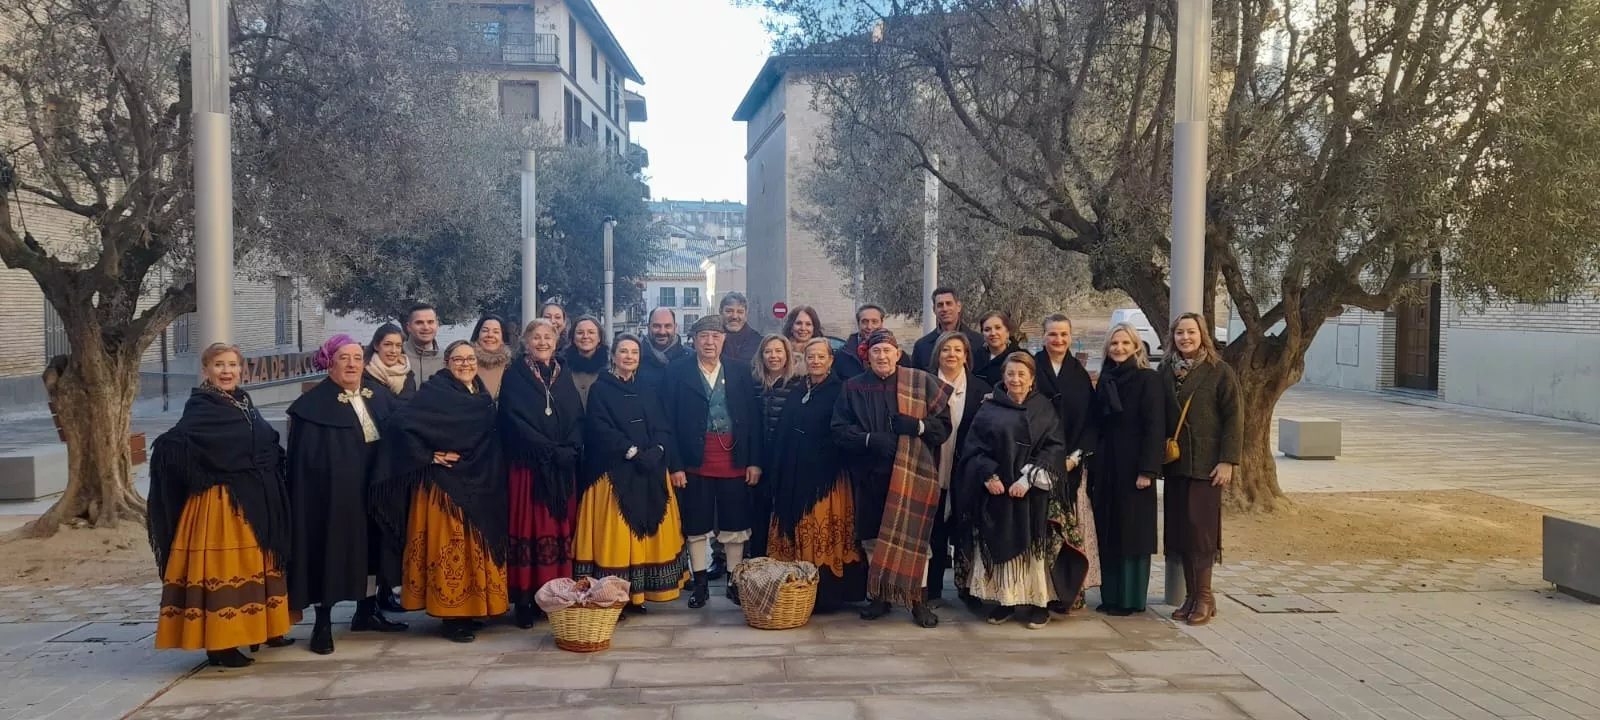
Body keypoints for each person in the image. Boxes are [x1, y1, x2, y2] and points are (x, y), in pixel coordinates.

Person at [148, 343, 293, 667]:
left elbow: (262, 440)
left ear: (241, 369)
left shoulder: (243, 401)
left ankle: (263, 629)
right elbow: (178, 443)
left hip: (254, 499)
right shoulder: (201, 407)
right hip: (221, 504)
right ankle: (220, 644)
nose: (226, 371)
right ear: (206, 370)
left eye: (232, 365)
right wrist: (208, 470)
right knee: (226, 571)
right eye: (219, 365)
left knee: (257, 566)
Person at [370, 340, 508, 643]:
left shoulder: (479, 392)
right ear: (447, 362)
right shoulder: (435, 391)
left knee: (475, 547)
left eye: (470, 359)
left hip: (479, 480)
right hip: (443, 485)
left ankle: (471, 609)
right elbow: (400, 425)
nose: (465, 364)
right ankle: (451, 616)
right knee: (452, 548)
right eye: (458, 359)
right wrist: (429, 456)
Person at [286, 335, 407, 655]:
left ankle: (366, 613)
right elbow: (305, 461)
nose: (352, 364)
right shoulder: (312, 407)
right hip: (332, 498)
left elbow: (401, 430)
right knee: (331, 554)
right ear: (329, 363)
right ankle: (322, 623)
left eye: (357, 357)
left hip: (374, 491)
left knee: (371, 551)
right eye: (344, 358)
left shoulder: (376, 395)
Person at [832, 329, 951, 627]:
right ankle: (880, 597)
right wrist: (870, 440)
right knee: (873, 539)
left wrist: (919, 426)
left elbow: (943, 428)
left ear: (898, 354)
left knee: (917, 541)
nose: (882, 356)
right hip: (870, 477)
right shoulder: (852, 388)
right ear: (867, 357)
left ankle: (918, 600)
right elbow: (838, 430)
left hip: (913, 475)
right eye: (876, 352)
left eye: (887, 351)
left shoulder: (920, 382)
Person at [574, 335, 691, 616]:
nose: (629, 356)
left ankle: (639, 595)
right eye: (623, 351)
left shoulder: (648, 388)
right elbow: (599, 428)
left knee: (645, 536)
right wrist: (632, 451)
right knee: (616, 538)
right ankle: (613, 595)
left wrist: (658, 450)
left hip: (650, 470)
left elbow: (664, 424)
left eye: (634, 352)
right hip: (614, 472)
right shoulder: (601, 389)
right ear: (613, 355)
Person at [953, 352, 1068, 630]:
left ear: (1031, 379)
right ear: (1003, 377)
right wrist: (988, 476)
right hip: (998, 493)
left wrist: (1027, 480)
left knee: (1032, 550)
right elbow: (972, 449)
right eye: (1010, 374)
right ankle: (1005, 601)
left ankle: (1038, 605)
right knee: (1000, 543)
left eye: (1021, 375)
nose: (1015, 379)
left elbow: (1054, 448)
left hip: (1032, 495)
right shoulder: (989, 408)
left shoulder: (1043, 408)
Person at [663, 316, 763, 608]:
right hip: (694, 459)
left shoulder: (740, 371)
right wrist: (676, 465)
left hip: (734, 456)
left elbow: (754, 419)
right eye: (704, 336)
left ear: (723, 340)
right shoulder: (677, 371)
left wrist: (754, 462)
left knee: (735, 521)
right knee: (696, 522)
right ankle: (701, 584)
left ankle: (733, 582)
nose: (709, 342)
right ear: (694, 340)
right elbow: (667, 421)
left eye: (715, 337)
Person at [766, 338, 867, 611]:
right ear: (803, 360)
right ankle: (795, 587)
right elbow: (784, 431)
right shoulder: (797, 390)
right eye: (810, 357)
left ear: (830, 360)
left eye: (821, 356)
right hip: (794, 472)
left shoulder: (840, 391)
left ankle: (826, 594)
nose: (815, 361)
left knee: (821, 526)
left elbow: (845, 430)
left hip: (826, 476)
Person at [500, 320, 585, 629]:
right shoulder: (515, 375)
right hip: (530, 466)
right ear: (526, 342)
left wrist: (570, 447)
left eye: (548, 337)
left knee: (559, 530)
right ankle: (524, 601)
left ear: (556, 340)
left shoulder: (563, 375)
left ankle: (555, 596)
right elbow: (513, 419)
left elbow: (575, 414)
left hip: (560, 466)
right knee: (528, 530)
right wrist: (547, 448)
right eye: (536, 337)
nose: (542, 341)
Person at [1158, 312, 1240, 627]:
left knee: (1201, 531)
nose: (1185, 338)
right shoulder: (1165, 371)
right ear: (1172, 337)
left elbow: (1235, 418)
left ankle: (1205, 596)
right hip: (1177, 463)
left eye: (1191, 332)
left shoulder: (1219, 372)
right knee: (1180, 529)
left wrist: (1228, 460)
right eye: (1180, 333)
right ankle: (1192, 596)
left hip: (1206, 466)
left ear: (1202, 335)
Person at [1090, 323, 1166, 616]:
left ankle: (1131, 599)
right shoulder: (1105, 380)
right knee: (1109, 530)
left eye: (1124, 343)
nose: (1119, 348)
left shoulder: (1149, 380)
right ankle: (1110, 595)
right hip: (1107, 466)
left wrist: (1148, 470)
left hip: (1135, 468)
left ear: (1137, 347)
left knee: (1132, 533)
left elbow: (1155, 427)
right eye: (1113, 343)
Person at [1032, 314, 1101, 615]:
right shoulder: (1031, 367)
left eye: (1063, 334)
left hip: (1071, 466)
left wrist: (1075, 456)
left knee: (1065, 530)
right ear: (1043, 336)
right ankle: (1038, 592)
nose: (1058, 340)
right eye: (1052, 334)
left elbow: (1090, 421)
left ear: (1071, 337)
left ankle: (1066, 591)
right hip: (1035, 462)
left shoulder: (1079, 374)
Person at [927, 331, 992, 608]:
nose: (951, 354)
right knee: (934, 530)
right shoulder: (924, 385)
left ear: (966, 356)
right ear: (937, 354)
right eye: (946, 350)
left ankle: (968, 588)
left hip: (966, 468)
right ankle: (932, 590)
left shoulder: (981, 389)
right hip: (932, 464)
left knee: (966, 528)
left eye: (957, 350)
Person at [750, 334, 797, 558]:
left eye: (778, 351)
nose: (773, 356)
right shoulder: (753, 383)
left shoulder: (797, 384)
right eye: (768, 351)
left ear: (787, 355)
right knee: (759, 512)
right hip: (759, 457)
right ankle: (758, 561)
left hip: (786, 457)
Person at [911, 288, 986, 371]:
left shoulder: (979, 342)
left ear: (958, 307)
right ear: (934, 310)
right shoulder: (921, 346)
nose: (945, 309)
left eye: (949, 304)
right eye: (940, 305)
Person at [562, 315, 609, 407]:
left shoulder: (610, 368)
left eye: (591, 332)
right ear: (573, 338)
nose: (585, 336)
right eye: (580, 333)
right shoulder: (562, 367)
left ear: (599, 338)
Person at [833, 304, 889, 380]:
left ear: (882, 323)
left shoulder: (894, 354)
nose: (869, 326)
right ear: (858, 324)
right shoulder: (842, 355)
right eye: (864, 322)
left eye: (874, 321)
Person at [639, 306, 688, 392]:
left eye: (667, 326)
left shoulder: (691, 359)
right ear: (648, 327)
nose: (662, 332)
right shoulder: (635, 359)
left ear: (675, 327)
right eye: (656, 326)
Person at [366, 323, 417, 402]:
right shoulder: (364, 374)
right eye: (387, 344)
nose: (393, 351)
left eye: (398, 345)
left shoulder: (408, 374)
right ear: (376, 346)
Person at [973, 311, 1023, 388]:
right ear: (982, 334)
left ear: (1007, 332)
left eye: (998, 328)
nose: (993, 333)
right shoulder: (975, 357)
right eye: (987, 329)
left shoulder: (1020, 358)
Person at [719, 292, 763, 368]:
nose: (734, 316)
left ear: (746, 315)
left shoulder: (759, 343)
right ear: (720, 312)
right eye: (729, 311)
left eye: (740, 312)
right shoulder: (711, 341)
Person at [472, 315, 511, 401]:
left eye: (496, 332)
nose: (490, 335)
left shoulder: (512, 367)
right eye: (485, 330)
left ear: (503, 338)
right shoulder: (465, 363)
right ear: (477, 335)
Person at [404, 304, 445, 380]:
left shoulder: (446, 359)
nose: (426, 327)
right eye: (419, 323)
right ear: (408, 327)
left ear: (437, 324)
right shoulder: (397, 356)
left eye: (430, 322)